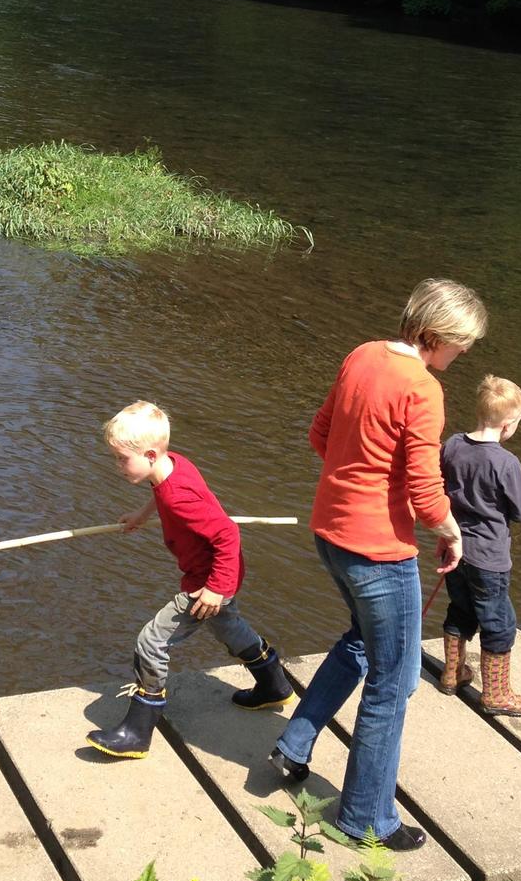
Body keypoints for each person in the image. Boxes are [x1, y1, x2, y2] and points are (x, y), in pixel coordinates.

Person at [267, 278, 487, 852]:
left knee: (363, 643)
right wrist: (449, 532)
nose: (462, 356)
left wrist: (356, 478)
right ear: (438, 335)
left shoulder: (361, 355)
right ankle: (365, 817)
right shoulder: (423, 389)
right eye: (462, 345)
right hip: (378, 555)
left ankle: (294, 744)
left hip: (331, 536)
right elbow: (424, 485)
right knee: (394, 682)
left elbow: (321, 434)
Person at [86, 400, 292, 759]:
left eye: (122, 459)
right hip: (217, 576)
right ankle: (274, 685)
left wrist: (215, 589)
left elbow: (227, 534)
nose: (117, 466)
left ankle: (137, 730)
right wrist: (141, 514)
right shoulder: (172, 466)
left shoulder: (180, 496)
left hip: (207, 580)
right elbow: (160, 491)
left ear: (150, 454)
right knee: (227, 627)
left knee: (151, 641)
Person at [439, 375, 521, 716]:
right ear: (508, 425)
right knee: (499, 622)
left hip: (455, 548)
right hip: (489, 557)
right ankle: (495, 695)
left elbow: (438, 484)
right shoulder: (506, 463)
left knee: (460, 609)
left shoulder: (451, 445)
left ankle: (452, 674)